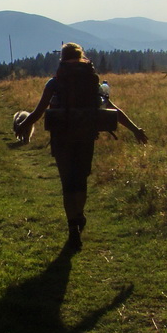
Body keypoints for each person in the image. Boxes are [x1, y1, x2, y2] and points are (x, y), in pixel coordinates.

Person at [15, 42, 148, 250]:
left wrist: (23, 125)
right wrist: (135, 129)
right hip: (86, 137)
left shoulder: (54, 83)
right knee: (81, 181)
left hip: (61, 139)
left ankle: (72, 227)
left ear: (62, 59)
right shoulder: (91, 81)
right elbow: (113, 109)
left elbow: (38, 112)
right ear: (82, 57)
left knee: (67, 184)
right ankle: (79, 215)